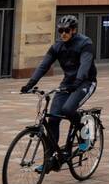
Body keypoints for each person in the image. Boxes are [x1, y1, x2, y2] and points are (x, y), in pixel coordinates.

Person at [21, 15, 97, 173]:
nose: (63, 34)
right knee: (53, 118)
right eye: (60, 31)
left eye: (66, 31)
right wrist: (30, 84)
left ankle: (84, 131)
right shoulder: (57, 46)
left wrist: (78, 81)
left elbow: (85, 64)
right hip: (68, 83)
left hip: (85, 82)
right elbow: (43, 66)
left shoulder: (85, 43)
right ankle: (50, 160)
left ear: (74, 30)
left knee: (68, 110)